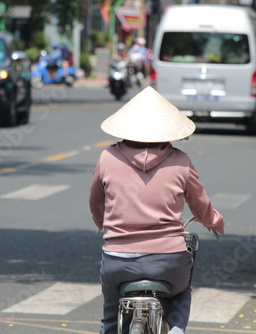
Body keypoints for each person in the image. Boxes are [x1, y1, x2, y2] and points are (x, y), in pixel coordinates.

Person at [89, 86, 225, 334]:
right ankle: (176, 330)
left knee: (110, 318)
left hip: (117, 262)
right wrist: (215, 221)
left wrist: (102, 223)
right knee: (181, 292)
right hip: (168, 262)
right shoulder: (181, 161)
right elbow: (201, 206)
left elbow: (96, 203)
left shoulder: (107, 157)